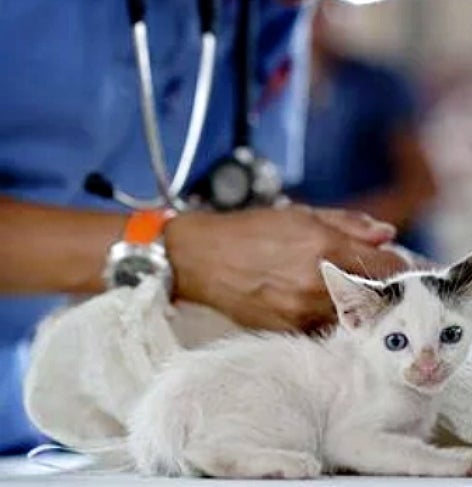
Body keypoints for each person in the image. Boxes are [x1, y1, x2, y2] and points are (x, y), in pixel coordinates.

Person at [0, 1, 405, 454]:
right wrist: (174, 253)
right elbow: (201, 248)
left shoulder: (266, 15)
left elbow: (238, 196)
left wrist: (299, 266)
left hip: (64, 431)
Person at [288, 0, 440, 256]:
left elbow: (422, 188)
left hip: (391, 249)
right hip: (318, 252)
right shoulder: (267, 97)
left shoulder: (380, 86)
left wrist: (351, 227)